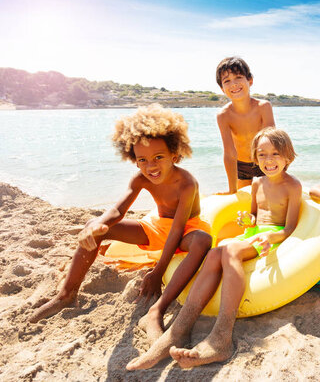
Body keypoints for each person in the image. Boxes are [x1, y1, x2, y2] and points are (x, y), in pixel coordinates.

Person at [29, 105, 212, 343]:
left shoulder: (187, 183)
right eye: (143, 160)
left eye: (159, 158)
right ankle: (66, 294)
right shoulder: (140, 178)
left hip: (187, 228)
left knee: (202, 241)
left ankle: (160, 306)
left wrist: (157, 273)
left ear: (174, 156)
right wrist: (97, 224)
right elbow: (118, 210)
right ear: (135, 161)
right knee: (95, 227)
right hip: (157, 226)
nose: (151, 166)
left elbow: (177, 230)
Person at [126, 127, 302, 370]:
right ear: (254, 157)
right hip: (252, 234)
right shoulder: (257, 184)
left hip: (271, 239)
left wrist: (271, 237)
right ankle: (178, 331)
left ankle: (221, 337)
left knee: (228, 251)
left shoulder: (292, 186)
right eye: (262, 155)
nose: (268, 160)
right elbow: (254, 215)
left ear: (287, 156)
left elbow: (290, 228)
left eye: (274, 154)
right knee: (214, 253)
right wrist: (248, 220)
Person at [215, 56, 275, 194]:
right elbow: (229, 153)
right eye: (227, 81)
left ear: (250, 80)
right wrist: (231, 190)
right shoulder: (223, 115)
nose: (234, 84)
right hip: (241, 165)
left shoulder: (263, 107)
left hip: (265, 161)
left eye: (238, 77)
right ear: (222, 88)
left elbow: (272, 142)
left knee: (270, 198)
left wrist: (274, 170)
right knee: (242, 204)